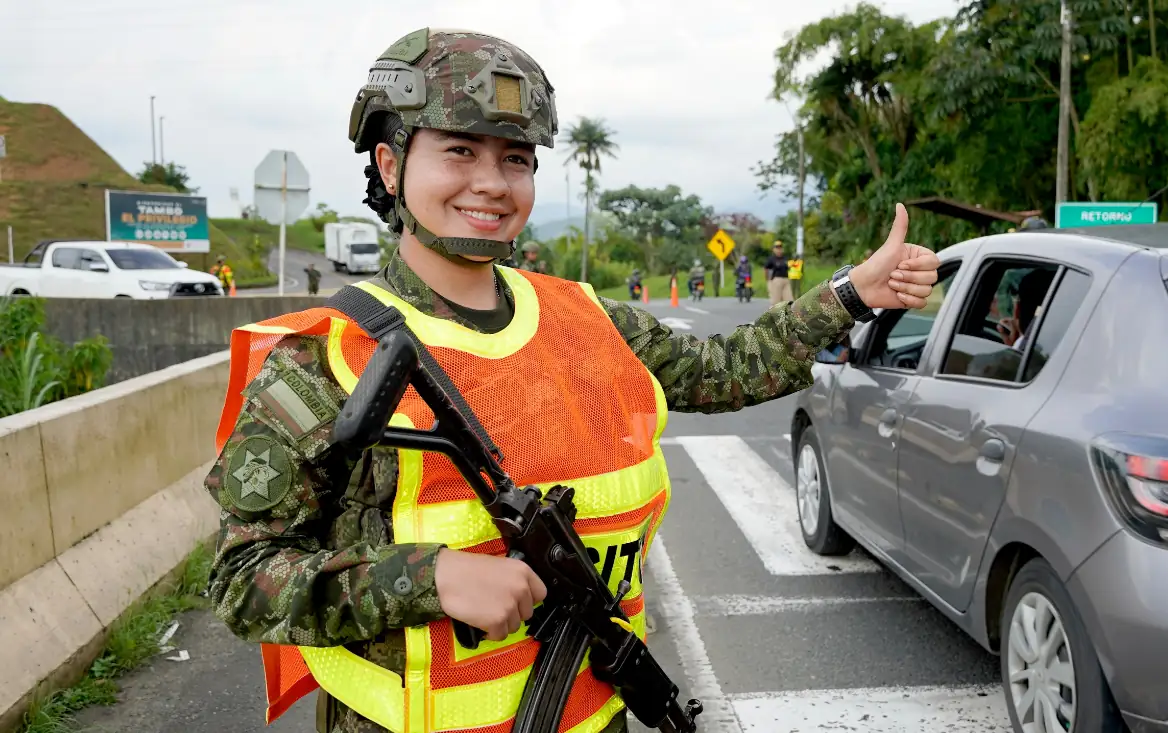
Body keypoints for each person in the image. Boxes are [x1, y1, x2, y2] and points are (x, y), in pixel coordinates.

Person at [204, 28, 939, 733]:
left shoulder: (584, 319)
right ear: (392, 166)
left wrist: (852, 293)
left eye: (516, 159)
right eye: (458, 151)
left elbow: (725, 371)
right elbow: (242, 577)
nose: (491, 183)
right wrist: (425, 578)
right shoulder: (322, 359)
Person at [765, 240, 793, 304]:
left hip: (786, 280)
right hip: (776, 280)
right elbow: (766, 269)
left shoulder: (785, 258)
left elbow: (790, 268)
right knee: (776, 301)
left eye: (780, 248)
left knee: (789, 301)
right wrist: (768, 280)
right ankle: (774, 313)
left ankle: (786, 313)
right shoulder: (772, 259)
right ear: (774, 250)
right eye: (777, 248)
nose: (779, 250)